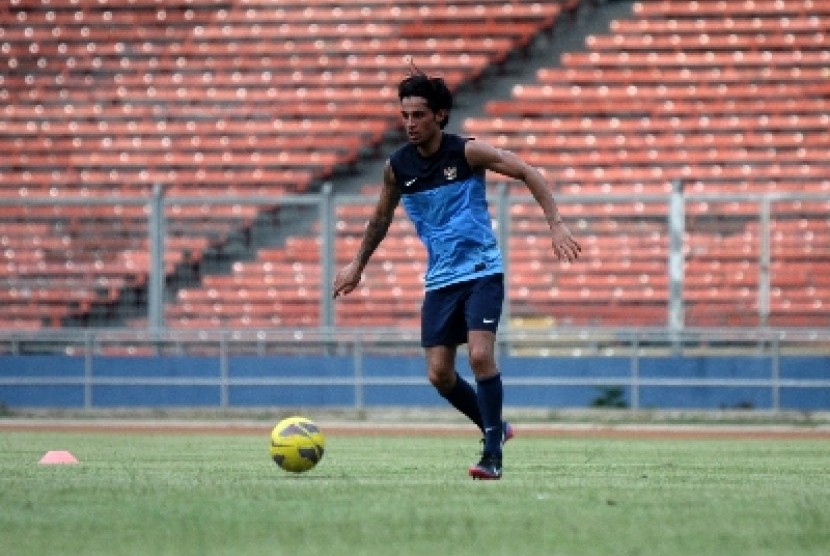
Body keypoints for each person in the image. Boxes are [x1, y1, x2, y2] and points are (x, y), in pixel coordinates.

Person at [332, 65, 581, 480]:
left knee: (481, 355)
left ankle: (492, 454)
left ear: (440, 116)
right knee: (440, 374)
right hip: (441, 279)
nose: (410, 124)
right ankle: (496, 427)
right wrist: (358, 263)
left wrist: (555, 222)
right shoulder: (398, 167)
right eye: (405, 115)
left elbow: (526, 170)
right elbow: (379, 219)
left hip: (482, 270)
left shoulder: (466, 152)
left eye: (419, 115)